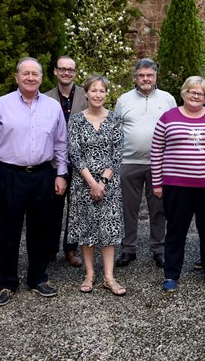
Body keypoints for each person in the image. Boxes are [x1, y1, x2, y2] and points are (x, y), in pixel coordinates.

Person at [0, 57, 69, 306]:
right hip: (10, 175)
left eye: (35, 74)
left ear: (41, 78)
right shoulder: (0, 105)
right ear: (16, 77)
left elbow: (61, 143)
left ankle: (38, 278)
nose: (30, 78)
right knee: (8, 231)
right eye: (25, 73)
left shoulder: (52, 107)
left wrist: (61, 173)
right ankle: (7, 282)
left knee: (41, 230)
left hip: (43, 174)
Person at [152, 76, 205, 292]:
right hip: (176, 187)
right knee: (176, 231)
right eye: (192, 92)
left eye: (201, 93)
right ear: (184, 93)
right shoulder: (168, 118)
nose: (196, 96)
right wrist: (157, 183)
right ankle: (171, 274)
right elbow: (156, 151)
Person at [67, 74, 126, 296]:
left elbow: (117, 153)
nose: (98, 94)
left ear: (106, 94)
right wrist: (92, 182)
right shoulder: (76, 120)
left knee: (108, 229)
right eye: (94, 90)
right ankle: (89, 274)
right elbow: (74, 153)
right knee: (87, 227)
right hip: (83, 183)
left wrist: (103, 181)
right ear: (86, 93)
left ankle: (109, 277)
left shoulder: (115, 119)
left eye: (102, 91)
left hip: (109, 183)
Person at [114, 59, 176, 269]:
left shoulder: (167, 99)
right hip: (129, 162)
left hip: (159, 163)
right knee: (127, 209)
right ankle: (127, 249)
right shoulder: (123, 100)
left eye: (149, 75)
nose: (145, 79)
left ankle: (159, 249)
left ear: (156, 76)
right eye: (141, 75)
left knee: (158, 209)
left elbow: (174, 129)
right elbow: (116, 130)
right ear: (135, 77)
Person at [45, 55, 87, 268]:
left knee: (76, 210)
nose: (66, 73)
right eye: (62, 69)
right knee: (52, 208)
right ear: (55, 71)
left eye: (70, 69)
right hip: (53, 163)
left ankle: (70, 249)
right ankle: (50, 249)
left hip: (80, 162)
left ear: (75, 72)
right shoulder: (45, 97)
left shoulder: (85, 95)